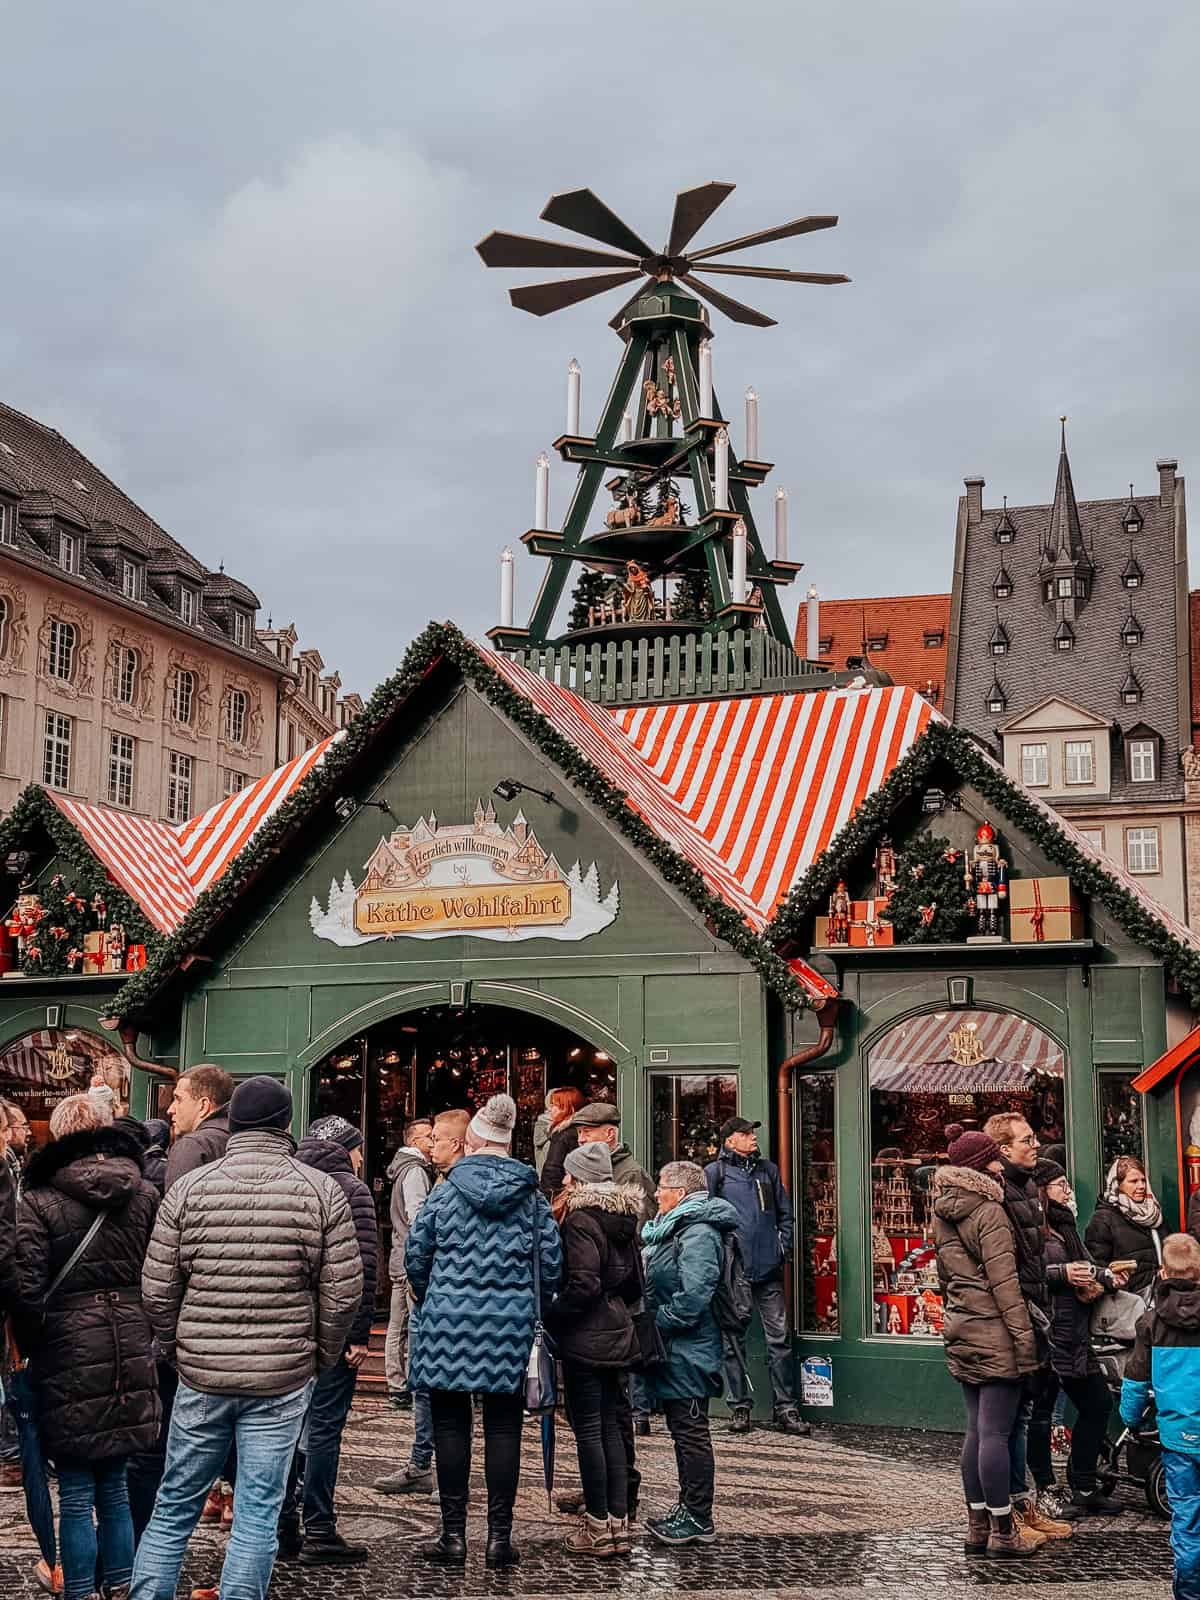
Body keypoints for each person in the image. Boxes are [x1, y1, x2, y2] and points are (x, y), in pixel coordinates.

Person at [131, 1076, 361, 1600]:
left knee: (174, 1506)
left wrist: (177, 1347)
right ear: (286, 1124)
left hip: (203, 1373)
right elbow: (344, 1293)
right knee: (258, 1510)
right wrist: (318, 1355)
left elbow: (158, 1285)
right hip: (282, 1375)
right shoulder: (320, 1190)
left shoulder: (189, 1186)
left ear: (233, 1122)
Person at [406, 1094, 561, 1569]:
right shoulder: (532, 1198)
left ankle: (452, 1536)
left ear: (472, 1141)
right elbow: (552, 1265)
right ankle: (499, 1538)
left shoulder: (445, 1193)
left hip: (447, 1325)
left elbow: (417, 1253)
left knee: (450, 1426)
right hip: (510, 1327)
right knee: (504, 1429)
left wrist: (433, 1292)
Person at [16, 1092, 160, 1600]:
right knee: (116, 1484)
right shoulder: (143, 1192)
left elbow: (27, 1286)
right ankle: (121, 1585)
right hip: (130, 1336)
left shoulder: (38, 1200)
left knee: (76, 1491)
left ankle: (79, 1590)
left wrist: (36, 1347)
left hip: (67, 1344)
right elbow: (158, 1270)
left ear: (58, 1136)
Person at [932, 1126, 1041, 1560]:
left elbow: (945, 1280)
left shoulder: (943, 1209)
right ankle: (1003, 1532)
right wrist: (1024, 1341)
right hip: (995, 1329)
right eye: (995, 1157)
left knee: (976, 1430)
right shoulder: (989, 1210)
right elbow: (1005, 1284)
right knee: (995, 1433)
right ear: (983, 1165)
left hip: (962, 1325)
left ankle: (977, 1526)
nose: (1001, 1163)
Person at [287, 1114, 378, 1566]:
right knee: (324, 1426)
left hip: (288, 1327)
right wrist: (358, 1333)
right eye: (358, 1148)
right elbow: (360, 1265)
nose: (362, 1157)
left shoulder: (289, 1177)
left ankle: (283, 1525)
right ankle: (319, 1526)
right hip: (332, 1329)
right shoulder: (351, 1188)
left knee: (282, 1426)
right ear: (346, 1148)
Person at [546, 1140, 640, 1558]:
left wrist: (555, 1313)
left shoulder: (582, 1219)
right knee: (612, 1428)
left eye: (568, 1173)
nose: (563, 1179)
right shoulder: (623, 1217)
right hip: (618, 1330)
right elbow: (636, 1283)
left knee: (590, 1430)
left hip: (587, 1334)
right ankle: (619, 1524)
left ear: (579, 1176)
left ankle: (598, 1526)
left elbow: (583, 1282)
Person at [639, 1160, 739, 1547]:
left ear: (680, 1194)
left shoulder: (697, 1232)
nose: (655, 1193)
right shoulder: (676, 1228)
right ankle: (688, 1507)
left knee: (691, 1432)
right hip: (679, 1347)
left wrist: (657, 1321)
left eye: (661, 1187)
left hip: (691, 1348)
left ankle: (698, 1515)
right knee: (683, 1432)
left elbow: (695, 1294)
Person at [981, 1112, 1068, 1543]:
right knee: (1007, 1422)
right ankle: (1008, 1516)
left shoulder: (1028, 1186)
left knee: (1023, 1415)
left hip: (1034, 1311)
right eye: (1027, 1139)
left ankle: (1022, 1505)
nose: (1035, 1145)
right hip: (1015, 1318)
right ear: (1003, 1149)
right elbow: (1006, 1267)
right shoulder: (1000, 1194)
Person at [375, 1108, 469, 1499]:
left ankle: (445, 1476)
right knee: (429, 1381)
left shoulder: (451, 1185)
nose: (431, 1146)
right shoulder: (429, 1177)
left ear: (457, 1143)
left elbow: (425, 1232)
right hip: (431, 1292)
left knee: (442, 1387)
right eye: (428, 1139)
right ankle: (425, 1466)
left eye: (438, 1139)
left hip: (444, 1299)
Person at [1027, 1159, 1124, 1518]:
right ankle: (1044, 1489)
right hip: (1051, 1334)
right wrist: (1064, 1274)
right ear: (1042, 1190)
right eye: (1061, 1185)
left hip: (1076, 1335)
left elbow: (1083, 1263)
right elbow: (1032, 1273)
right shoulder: (1035, 1229)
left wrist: (1106, 1276)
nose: (1068, 1191)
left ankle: (1083, 1483)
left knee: (1097, 1404)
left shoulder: (1067, 1228)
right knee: (1040, 1416)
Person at [704, 1117, 807, 1436]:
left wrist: (781, 1247)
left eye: (752, 1133)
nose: (752, 1138)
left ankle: (786, 1407)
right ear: (729, 1140)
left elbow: (785, 1215)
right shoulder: (715, 1173)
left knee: (780, 1339)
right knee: (733, 1340)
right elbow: (705, 1218)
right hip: (735, 1272)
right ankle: (739, 1407)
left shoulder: (768, 1170)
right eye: (744, 1134)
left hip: (769, 1270)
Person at [1121, 1232, 1200, 1600]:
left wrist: (1130, 1419)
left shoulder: (1151, 1324)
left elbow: (1135, 1382)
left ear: (1164, 1272)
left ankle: (1188, 1587)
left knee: (1185, 1513)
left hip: (1178, 1437)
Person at [383, 1118, 435, 1408]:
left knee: (397, 1325)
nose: (433, 1140)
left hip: (398, 1255)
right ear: (415, 1142)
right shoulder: (414, 1171)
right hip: (409, 1258)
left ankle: (396, 1385)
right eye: (428, 1136)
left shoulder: (403, 1169)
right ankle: (409, 1385)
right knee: (410, 1325)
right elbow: (418, 1218)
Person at [1087, 1155, 1163, 1296]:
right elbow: (1098, 1267)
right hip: (1130, 1301)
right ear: (1117, 1185)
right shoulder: (1103, 1219)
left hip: (1161, 1297)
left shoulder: (1154, 1213)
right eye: (1133, 1181)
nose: (1141, 1186)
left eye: (1143, 1180)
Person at [573, 1103, 656, 1221]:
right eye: (579, 1132)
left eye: (587, 1132)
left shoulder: (632, 1174)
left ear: (610, 1134)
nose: (580, 1139)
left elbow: (640, 1229)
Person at [163, 1064, 233, 1190]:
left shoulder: (191, 1146)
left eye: (178, 1099)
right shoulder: (241, 1139)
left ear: (203, 1105)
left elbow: (175, 1206)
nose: (170, 1109)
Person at [539, 1085, 585, 1199]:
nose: (550, 1109)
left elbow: (553, 1171)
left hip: (559, 1196)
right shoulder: (579, 1131)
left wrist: (545, 1198)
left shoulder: (563, 1135)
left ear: (569, 1108)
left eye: (555, 1105)